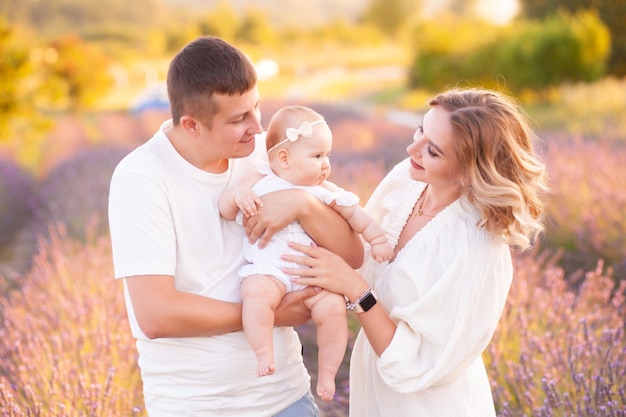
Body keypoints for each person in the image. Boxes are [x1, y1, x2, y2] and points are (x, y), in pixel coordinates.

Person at [107, 36, 363, 417]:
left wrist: (302, 204)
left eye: (256, 108)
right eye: (238, 119)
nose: (258, 128)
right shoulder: (142, 178)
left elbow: (352, 254)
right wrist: (274, 313)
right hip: (197, 407)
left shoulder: (267, 154)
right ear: (192, 125)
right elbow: (157, 314)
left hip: (286, 398)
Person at [280, 87, 548, 416]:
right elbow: (360, 256)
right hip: (377, 389)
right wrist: (305, 202)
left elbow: (416, 364)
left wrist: (354, 289)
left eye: (433, 151)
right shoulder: (407, 182)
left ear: (469, 170)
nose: (412, 148)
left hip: (428, 405)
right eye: (421, 129)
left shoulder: (475, 246)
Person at [218, 105, 393, 401]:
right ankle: (263, 353)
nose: (326, 164)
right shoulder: (260, 181)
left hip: (312, 276)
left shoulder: (325, 190)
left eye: (327, 156)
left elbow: (357, 217)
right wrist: (240, 196)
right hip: (270, 269)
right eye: (317, 156)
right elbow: (225, 206)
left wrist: (377, 240)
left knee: (333, 311)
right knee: (256, 295)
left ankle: (326, 372)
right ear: (284, 159)